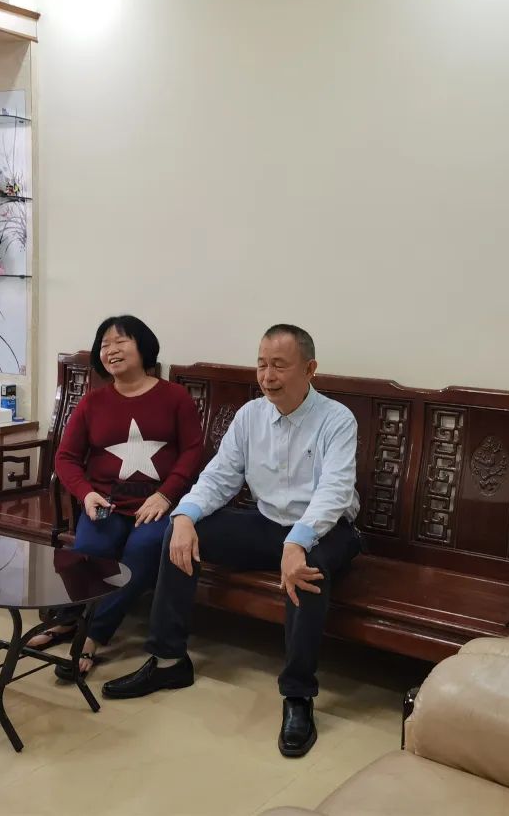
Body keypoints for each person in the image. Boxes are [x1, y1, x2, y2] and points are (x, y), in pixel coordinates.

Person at [102, 324, 361, 758]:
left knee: (307, 570)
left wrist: (298, 542)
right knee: (179, 535)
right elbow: (220, 477)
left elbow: (334, 492)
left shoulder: (336, 420)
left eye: (279, 366)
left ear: (310, 369)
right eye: (261, 365)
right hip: (269, 524)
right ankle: (169, 661)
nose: (267, 376)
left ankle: (298, 695)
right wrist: (185, 515)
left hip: (328, 529)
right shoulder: (250, 416)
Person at [29, 315, 203, 679]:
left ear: (144, 347)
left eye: (121, 342)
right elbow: (66, 457)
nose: (111, 350)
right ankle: (68, 620)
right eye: (105, 344)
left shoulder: (174, 397)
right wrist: (86, 494)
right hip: (106, 504)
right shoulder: (93, 403)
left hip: (157, 507)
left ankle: (92, 635)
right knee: (89, 550)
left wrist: (166, 495)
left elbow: (192, 452)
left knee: (141, 555)